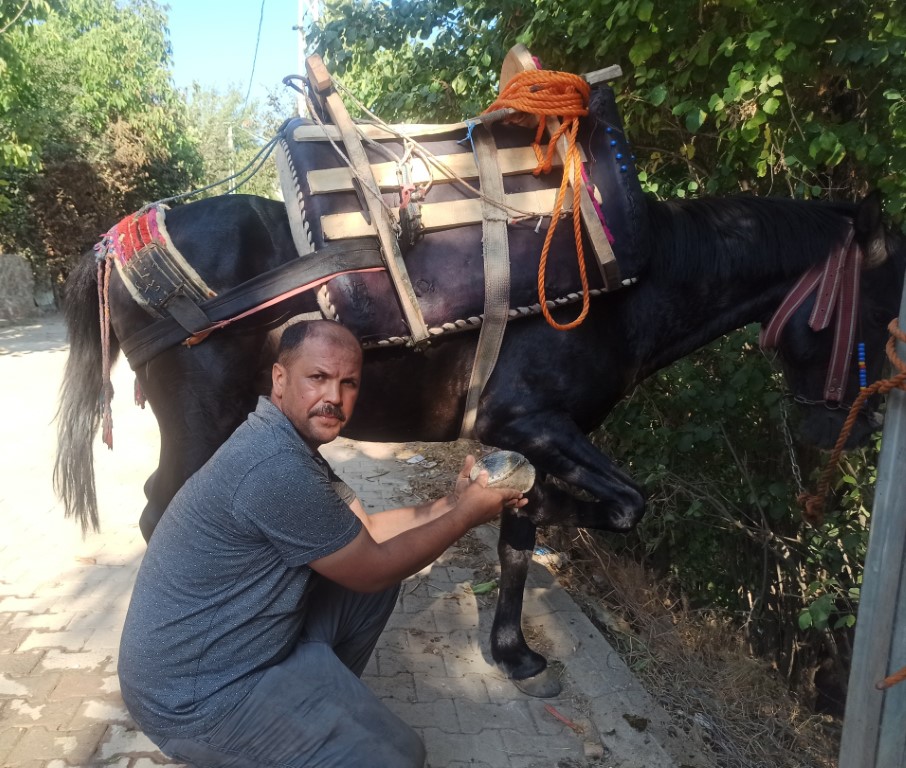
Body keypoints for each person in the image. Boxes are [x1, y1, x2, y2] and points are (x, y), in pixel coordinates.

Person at [117, 319, 526, 767]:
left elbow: (365, 530)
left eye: (348, 383)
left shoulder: (282, 439)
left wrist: (452, 501)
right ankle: (280, 740)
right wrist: (468, 516)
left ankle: (312, 708)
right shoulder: (275, 467)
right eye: (318, 377)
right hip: (197, 699)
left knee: (374, 603)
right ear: (280, 378)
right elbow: (373, 567)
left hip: (240, 651)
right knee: (398, 760)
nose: (334, 396)